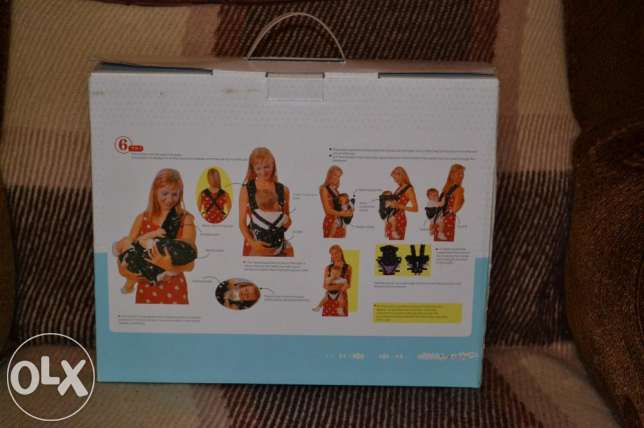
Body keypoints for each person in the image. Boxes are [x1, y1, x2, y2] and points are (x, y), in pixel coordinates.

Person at [116, 169, 197, 304]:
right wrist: (125, 272)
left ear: (180, 194)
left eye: (175, 194)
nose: (169, 199)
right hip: (146, 288)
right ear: (155, 191)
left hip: (174, 289)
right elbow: (127, 249)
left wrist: (168, 265)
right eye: (165, 193)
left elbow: (190, 264)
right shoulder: (142, 218)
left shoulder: (185, 218)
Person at [239, 147, 293, 256]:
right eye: (258, 168)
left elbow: (287, 219)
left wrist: (276, 232)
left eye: (267, 167)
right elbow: (242, 223)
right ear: (253, 169)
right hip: (254, 243)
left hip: (277, 245)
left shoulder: (284, 190)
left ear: (273, 164)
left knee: (290, 252)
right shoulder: (247, 189)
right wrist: (253, 243)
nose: (263, 172)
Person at [249, 189, 290, 256]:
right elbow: (288, 223)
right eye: (277, 202)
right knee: (287, 243)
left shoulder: (254, 214)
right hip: (276, 249)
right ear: (275, 204)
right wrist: (284, 210)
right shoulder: (282, 216)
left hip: (260, 247)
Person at [316, 245, 352, 317]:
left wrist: (333, 286)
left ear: (341, 253)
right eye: (332, 254)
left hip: (341, 297)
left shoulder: (348, 267)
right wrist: (339, 286)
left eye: (336, 253)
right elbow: (325, 286)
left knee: (341, 318)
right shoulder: (328, 268)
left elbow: (349, 285)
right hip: (329, 297)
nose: (334, 255)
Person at [384, 166, 418, 240]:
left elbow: (415, 208)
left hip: (399, 219)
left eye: (395, 178)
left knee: (396, 242)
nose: (394, 181)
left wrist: (399, 206)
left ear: (401, 175)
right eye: (393, 178)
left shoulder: (409, 189)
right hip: (391, 218)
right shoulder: (399, 188)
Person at [320, 165, 354, 238]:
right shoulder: (324, 189)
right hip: (331, 222)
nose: (337, 178)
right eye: (335, 175)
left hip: (341, 222)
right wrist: (342, 213)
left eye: (338, 176)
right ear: (329, 174)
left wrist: (349, 212)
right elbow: (327, 210)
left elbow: (342, 205)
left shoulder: (336, 191)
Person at [434, 164, 465, 242]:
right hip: (443, 218)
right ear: (451, 175)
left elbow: (454, 209)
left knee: (442, 241)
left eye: (462, 174)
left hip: (444, 219)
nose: (461, 176)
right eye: (459, 174)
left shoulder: (455, 189)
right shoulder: (450, 188)